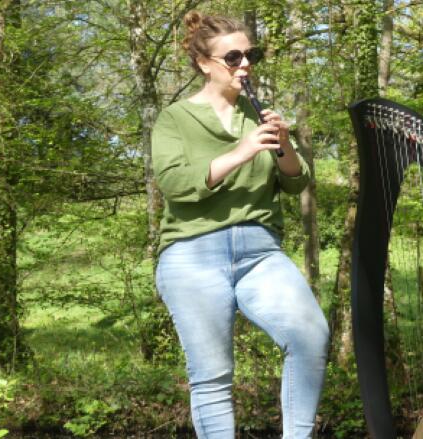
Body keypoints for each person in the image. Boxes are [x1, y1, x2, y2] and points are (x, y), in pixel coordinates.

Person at [152, 11, 329, 439]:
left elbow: (297, 180)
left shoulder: (259, 117)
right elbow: (176, 184)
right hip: (192, 254)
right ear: (204, 64)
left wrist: (283, 144)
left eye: (251, 54)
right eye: (233, 57)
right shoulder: (175, 119)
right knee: (212, 374)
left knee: (311, 337)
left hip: (260, 251)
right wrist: (243, 150)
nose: (245, 64)